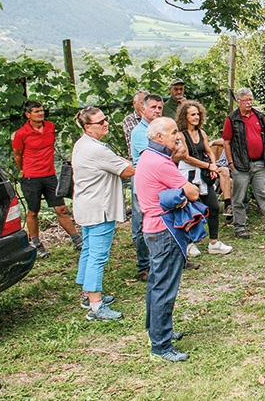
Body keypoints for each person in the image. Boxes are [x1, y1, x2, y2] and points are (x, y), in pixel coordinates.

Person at [136, 117, 200, 362]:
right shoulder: (161, 164)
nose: (178, 135)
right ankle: (161, 345)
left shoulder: (151, 157)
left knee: (156, 283)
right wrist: (182, 195)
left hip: (153, 228)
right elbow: (193, 192)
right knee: (165, 287)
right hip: (164, 230)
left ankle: (160, 330)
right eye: (173, 132)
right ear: (159, 136)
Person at [72, 107, 134, 320]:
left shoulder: (83, 144)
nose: (106, 123)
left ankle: (88, 295)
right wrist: (125, 161)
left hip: (87, 206)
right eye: (100, 122)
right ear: (88, 127)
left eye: (105, 119)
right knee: (98, 256)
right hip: (100, 208)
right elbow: (128, 170)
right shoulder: (97, 149)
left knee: (88, 251)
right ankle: (96, 306)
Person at [12, 100, 82, 258]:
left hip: (49, 175)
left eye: (41, 110)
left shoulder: (50, 127)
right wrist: (24, 169)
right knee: (33, 211)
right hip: (31, 178)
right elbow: (17, 154)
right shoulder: (21, 133)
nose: (40, 113)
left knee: (61, 209)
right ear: (28, 115)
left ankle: (77, 240)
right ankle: (36, 243)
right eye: (36, 111)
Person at [223, 88, 265, 238]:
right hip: (240, 164)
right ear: (238, 102)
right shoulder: (232, 119)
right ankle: (239, 228)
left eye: (251, 100)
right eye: (246, 100)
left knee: (264, 194)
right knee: (239, 197)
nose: (249, 103)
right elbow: (227, 142)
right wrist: (231, 162)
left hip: (259, 163)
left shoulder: (259, 117)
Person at [176, 101, 232, 255]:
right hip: (188, 174)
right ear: (185, 117)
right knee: (191, 209)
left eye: (197, 114)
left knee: (213, 206)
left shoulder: (202, 133)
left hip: (204, 175)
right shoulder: (181, 135)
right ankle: (189, 242)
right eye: (192, 114)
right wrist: (208, 166)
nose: (196, 117)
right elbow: (186, 157)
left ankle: (214, 242)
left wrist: (213, 165)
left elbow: (209, 151)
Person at [130, 93, 165, 279]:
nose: (157, 111)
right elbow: (154, 157)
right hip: (143, 187)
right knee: (141, 226)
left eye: (160, 107)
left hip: (159, 184)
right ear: (143, 109)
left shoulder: (160, 130)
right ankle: (144, 266)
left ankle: (160, 261)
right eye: (153, 107)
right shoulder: (139, 132)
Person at [123, 90, 148, 157]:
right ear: (134, 103)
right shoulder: (129, 119)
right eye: (142, 103)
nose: (145, 106)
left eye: (147, 104)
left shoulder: (154, 118)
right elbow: (140, 140)